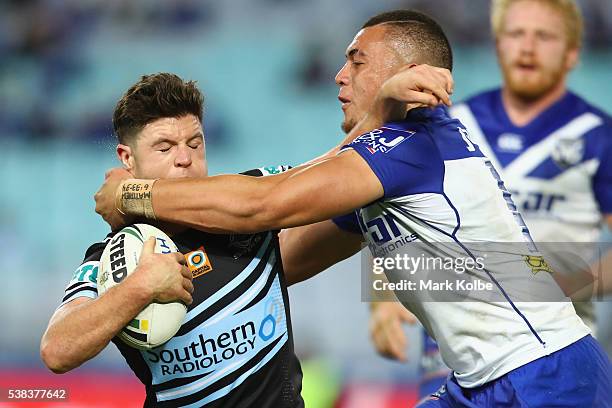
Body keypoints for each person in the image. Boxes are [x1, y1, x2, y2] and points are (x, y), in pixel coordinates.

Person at [94, 10, 611, 407]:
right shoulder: (377, 171)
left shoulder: (412, 142)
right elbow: (277, 264)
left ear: (408, 75)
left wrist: (132, 195)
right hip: (484, 382)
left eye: (357, 61)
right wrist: (160, 275)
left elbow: (264, 206)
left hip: (544, 375)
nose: (340, 76)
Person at [368, 0, 612, 400]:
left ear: (572, 53)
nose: (527, 47)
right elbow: (391, 209)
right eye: (516, 34)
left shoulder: (598, 136)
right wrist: (381, 299)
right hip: (451, 353)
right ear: (498, 45)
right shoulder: (448, 121)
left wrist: (573, 282)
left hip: (549, 353)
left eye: (544, 36)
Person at [40, 73, 307, 407]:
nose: (185, 158)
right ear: (127, 159)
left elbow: (344, 194)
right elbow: (57, 350)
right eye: (164, 148)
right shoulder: (114, 256)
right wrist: (141, 286)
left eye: (195, 143)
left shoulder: (252, 201)